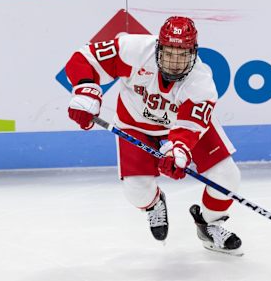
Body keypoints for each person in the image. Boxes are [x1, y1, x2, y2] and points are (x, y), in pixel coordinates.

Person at [66, 16, 242, 255]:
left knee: (227, 176)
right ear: (158, 46)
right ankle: (154, 203)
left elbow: (189, 126)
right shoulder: (134, 50)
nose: (175, 62)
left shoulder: (201, 83)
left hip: (180, 127)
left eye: (183, 55)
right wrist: (86, 91)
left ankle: (209, 225)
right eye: (169, 53)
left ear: (194, 53)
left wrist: (178, 150)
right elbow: (85, 58)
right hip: (135, 124)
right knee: (136, 192)